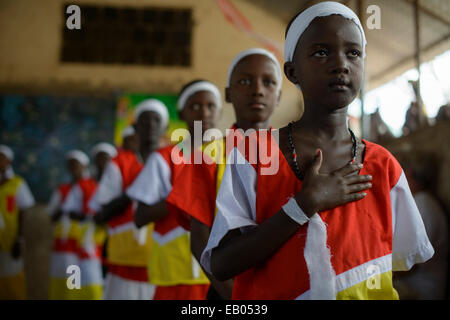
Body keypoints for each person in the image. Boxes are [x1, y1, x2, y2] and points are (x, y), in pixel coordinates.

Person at [202, 1, 434, 300]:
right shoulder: (253, 155)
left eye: (353, 52)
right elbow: (221, 264)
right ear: (292, 71)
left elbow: (399, 261)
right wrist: (301, 205)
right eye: (321, 52)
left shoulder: (382, 164)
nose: (341, 64)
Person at [165, 48, 282, 300]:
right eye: (244, 81)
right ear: (228, 94)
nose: (257, 90)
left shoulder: (292, 152)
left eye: (268, 82)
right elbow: (200, 241)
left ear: (279, 95)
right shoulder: (207, 156)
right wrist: (237, 299)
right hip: (228, 290)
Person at [126, 80, 222, 300]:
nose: (204, 113)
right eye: (194, 106)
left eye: (210, 106)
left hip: (221, 269)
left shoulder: (229, 154)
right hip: (175, 269)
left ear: (219, 111)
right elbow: (140, 217)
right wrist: (183, 198)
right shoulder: (164, 158)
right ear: (181, 112)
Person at [88, 100, 168, 300]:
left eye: (156, 120)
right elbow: (102, 211)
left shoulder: (173, 161)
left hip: (164, 258)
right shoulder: (119, 163)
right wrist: (136, 191)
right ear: (134, 127)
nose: (150, 125)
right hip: (125, 261)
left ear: (164, 127)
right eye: (144, 120)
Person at [393, 152, 448, 299]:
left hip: (420, 289)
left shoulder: (422, 205)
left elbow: (410, 264)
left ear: (408, 174)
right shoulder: (421, 202)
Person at [60, 146, 111, 300]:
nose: (103, 162)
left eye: (106, 158)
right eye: (99, 158)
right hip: (90, 241)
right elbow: (70, 211)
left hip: (114, 238)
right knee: (85, 280)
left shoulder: (120, 182)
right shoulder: (85, 184)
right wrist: (89, 217)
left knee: (109, 279)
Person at [47, 150, 89, 299]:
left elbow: (91, 214)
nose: (73, 167)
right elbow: (51, 215)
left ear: (84, 166)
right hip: (61, 241)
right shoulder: (63, 189)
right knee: (59, 277)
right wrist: (62, 210)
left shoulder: (89, 186)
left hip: (78, 242)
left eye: (76, 164)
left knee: (74, 278)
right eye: (71, 164)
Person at [0, 145, 35, 299]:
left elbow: (24, 212)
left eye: (2, 157)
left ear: (9, 161)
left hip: (10, 241)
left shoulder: (17, 183)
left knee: (12, 280)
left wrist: (19, 239)